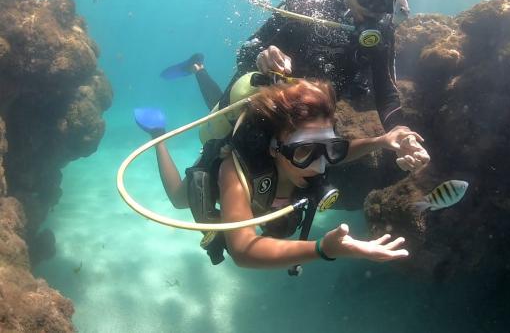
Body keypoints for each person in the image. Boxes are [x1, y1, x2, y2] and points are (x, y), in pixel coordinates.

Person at [162, 0, 430, 173]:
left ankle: (199, 69)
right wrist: (263, 55)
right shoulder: (308, 5)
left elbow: (387, 92)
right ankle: (198, 68)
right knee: (199, 175)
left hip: (305, 122)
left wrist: (400, 131)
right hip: (261, 106)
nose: (376, 8)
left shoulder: (383, 30)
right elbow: (246, 52)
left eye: (389, 0)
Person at [136, 78, 420, 269]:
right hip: (217, 172)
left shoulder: (309, 154)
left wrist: (382, 141)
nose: (319, 165)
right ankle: (158, 135)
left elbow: (342, 151)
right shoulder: (234, 173)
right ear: (274, 148)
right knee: (178, 199)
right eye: (304, 151)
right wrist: (322, 249)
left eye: (328, 149)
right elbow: (243, 250)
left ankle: (200, 73)